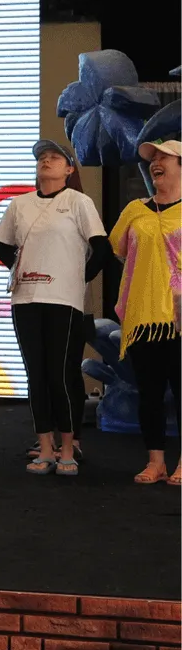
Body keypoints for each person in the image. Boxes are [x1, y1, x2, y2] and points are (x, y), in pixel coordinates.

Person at [0, 140, 108, 477]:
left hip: (63, 300)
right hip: (25, 298)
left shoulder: (78, 201)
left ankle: (69, 447)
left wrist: (76, 277)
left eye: (55, 157)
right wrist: (18, 265)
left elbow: (101, 248)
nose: (46, 161)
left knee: (59, 373)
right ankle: (44, 447)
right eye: (42, 157)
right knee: (36, 374)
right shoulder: (20, 204)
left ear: (69, 169)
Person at [108, 139, 181, 486]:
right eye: (153, 158)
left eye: (165, 156)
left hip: (179, 318)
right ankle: (156, 462)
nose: (156, 162)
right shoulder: (135, 210)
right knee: (149, 393)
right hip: (142, 319)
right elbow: (119, 249)